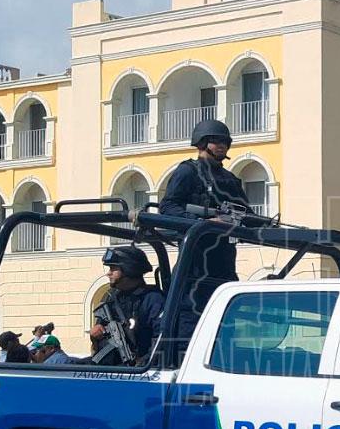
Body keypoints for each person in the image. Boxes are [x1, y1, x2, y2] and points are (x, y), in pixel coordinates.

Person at [160, 119, 252, 343]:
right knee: (189, 328)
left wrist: (259, 225)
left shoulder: (230, 180)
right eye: (215, 141)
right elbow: (168, 207)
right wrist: (205, 222)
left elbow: (247, 214)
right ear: (202, 143)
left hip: (223, 262)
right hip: (194, 263)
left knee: (224, 328)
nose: (222, 146)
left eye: (225, 142)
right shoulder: (187, 172)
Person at [89, 246, 165, 364]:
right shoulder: (112, 299)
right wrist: (95, 336)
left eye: (113, 268)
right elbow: (98, 343)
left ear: (129, 269)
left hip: (139, 369)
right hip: (111, 367)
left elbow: (161, 339)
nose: (108, 273)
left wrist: (143, 363)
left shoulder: (152, 299)